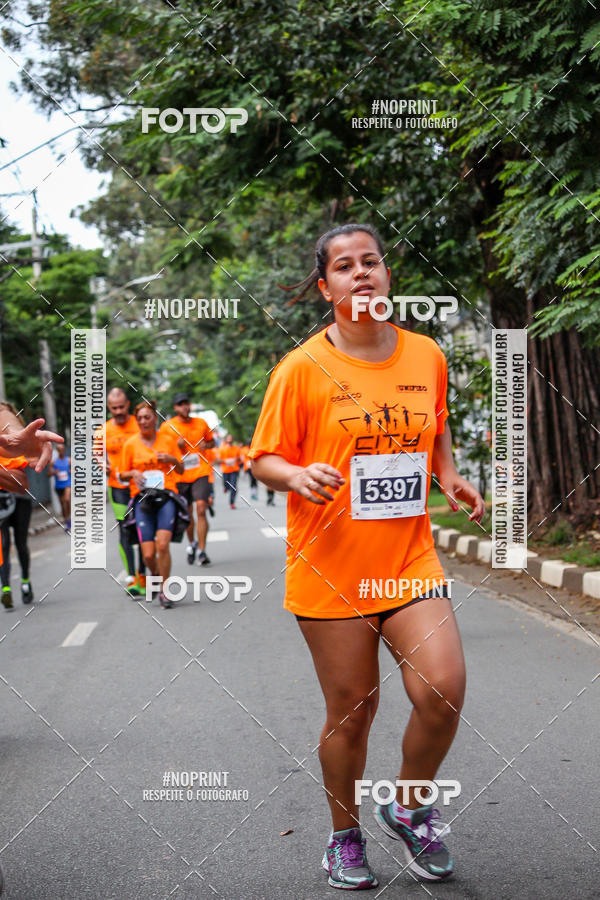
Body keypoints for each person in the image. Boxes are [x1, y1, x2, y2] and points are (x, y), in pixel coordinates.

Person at [250, 224, 484, 890]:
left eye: (371, 262)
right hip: (331, 569)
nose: (362, 273)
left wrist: (448, 474)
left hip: (409, 561)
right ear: (325, 287)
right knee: (353, 710)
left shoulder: (426, 355)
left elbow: (431, 425)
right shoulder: (300, 369)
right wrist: (294, 478)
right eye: (345, 267)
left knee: (443, 688)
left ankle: (408, 808)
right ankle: (344, 836)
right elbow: (262, 456)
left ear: (387, 275)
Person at [120, 400, 185, 609]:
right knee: (148, 554)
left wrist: (171, 459)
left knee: (163, 545)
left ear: (154, 418)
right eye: (139, 418)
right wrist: (133, 473)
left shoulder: (167, 439)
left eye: (147, 417)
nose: (143, 421)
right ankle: (156, 574)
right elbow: (121, 474)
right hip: (142, 500)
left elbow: (182, 469)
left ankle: (165, 590)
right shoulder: (130, 444)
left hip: (166, 497)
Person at [93, 388, 146, 597]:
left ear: (128, 404)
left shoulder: (139, 424)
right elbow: (97, 453)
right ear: (109, 408)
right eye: (113, 408)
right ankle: (132, 578)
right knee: (125, 530)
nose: (118, 411)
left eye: (121, 407)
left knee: (143, 531)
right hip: (118, 488)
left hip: (141, 487)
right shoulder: (103, 430)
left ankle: (143, 575)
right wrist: (101, 464)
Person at [159, 392, 215, 566]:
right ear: (175, 407)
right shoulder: (167, 427)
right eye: (180, 404)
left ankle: (202, 551)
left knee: (201, 509)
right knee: (189, 513)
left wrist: (207, 445)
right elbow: (161, 448)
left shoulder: (201, 423)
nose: (184, 406)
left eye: (186, 403)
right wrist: (177, 445)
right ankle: (192, 543)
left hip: (201, 471)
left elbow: (211, 442)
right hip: (180, 474)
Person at [0, 450, 30, 611]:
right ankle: (6, 590)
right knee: (2, 545)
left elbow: (22, 475)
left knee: (21, 543)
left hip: (19, 499)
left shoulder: (11, 443)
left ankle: (25, 581)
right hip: (1, 502)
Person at [49, 444, 71, 531]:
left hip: (68, 484)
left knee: (67, 500)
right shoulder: (54, 462)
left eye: (62, 449)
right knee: (62, 505)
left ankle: (69, 519)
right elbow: (48, 474)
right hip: (58, 486)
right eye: (59, 449)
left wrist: (72, 470)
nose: (61, 451)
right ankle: (67, 521)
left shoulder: (69, 460)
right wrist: (54, 472)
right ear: (57, 451)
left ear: (64, 450)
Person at [219, 434, 242, 509]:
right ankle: (226, 487)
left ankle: (232, 503)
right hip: (225, 470)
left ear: (233, 440)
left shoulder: (236, 448)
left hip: (234, 470)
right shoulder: (222, 449)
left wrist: (236, 459)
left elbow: (240, 459)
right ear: (226, 440)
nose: (230, 439)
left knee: (233, 486)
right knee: (226, 484)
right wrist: (225, 461)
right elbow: (218, 460)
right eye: (228, 438)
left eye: (231, 438)